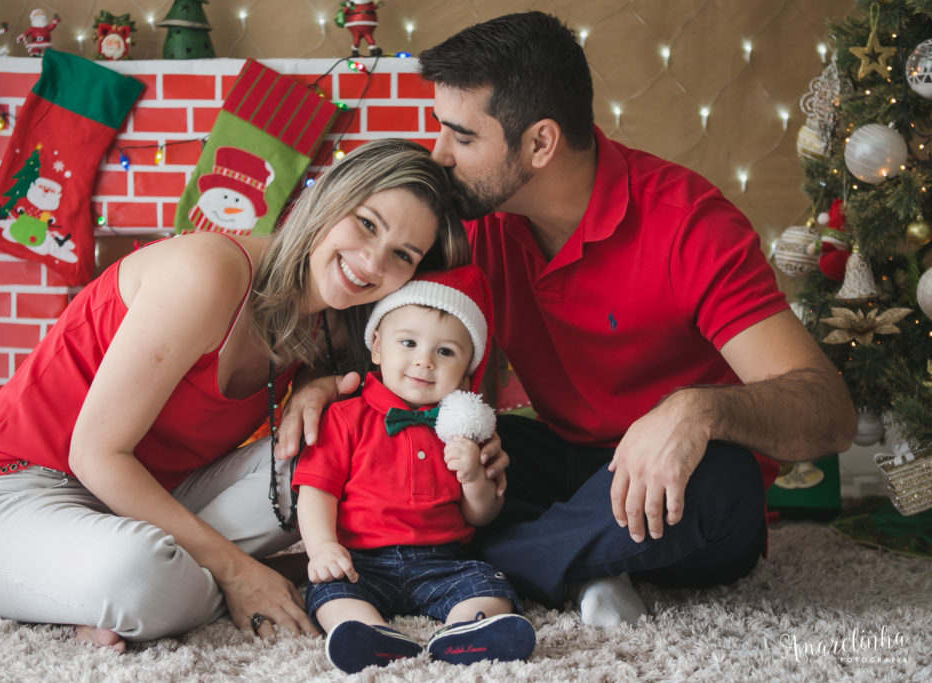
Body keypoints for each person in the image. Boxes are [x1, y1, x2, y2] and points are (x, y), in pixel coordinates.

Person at [280, 11, 856, 629]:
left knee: (726, 478)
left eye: (462, 137)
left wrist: (700, 409)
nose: (439, 155)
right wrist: (323, 380)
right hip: (560, 464)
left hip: (673, 493)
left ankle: (468, 566)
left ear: (540, 143)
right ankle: (566, 567)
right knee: (451, 438)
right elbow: (387, 320)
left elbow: (828, 412)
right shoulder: (474, 222)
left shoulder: (689, 226)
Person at [0, 138, 470, 653]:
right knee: (137, 575)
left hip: (157, 500)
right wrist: (239, 573)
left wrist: (321, 387)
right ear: (327, 197)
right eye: (366, 223)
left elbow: (383, 428)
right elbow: (94, 456)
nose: (373, 263)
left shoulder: (333, 327)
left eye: (402, 254)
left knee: (322, 456)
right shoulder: (208, 272)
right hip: (15, 494)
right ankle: (159, 590)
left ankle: (132, 597)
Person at [293, 265, 535, 674]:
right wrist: (321, 548)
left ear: (466, 370)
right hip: (362, 560)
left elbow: (481, 515)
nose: (424, 362)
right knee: (330, 591)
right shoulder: (345, 417)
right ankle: (366, 634)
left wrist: (474, 477)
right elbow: (318, 490)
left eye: (445, 352)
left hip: (442, 560)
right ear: (377, 347)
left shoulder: (462, 428)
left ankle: (467, 632)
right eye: (408, 343)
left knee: (488, 585)